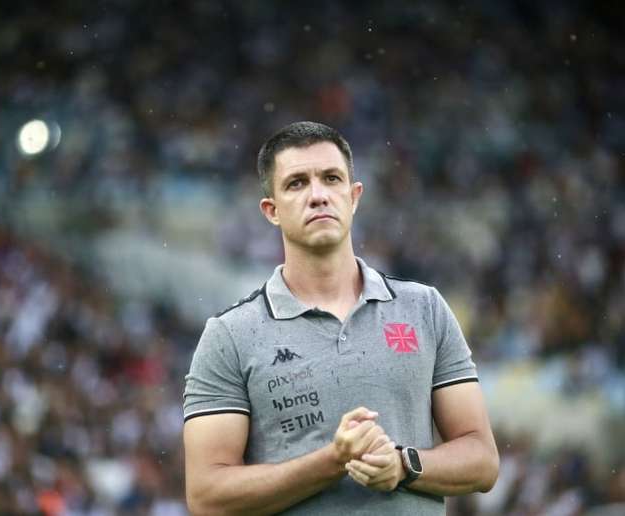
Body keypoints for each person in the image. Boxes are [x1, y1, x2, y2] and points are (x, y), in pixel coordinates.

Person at [183, 121, 499, 515]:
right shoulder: (230, 335)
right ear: (271, 210)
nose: (317, 195)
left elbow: (483, 460)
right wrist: (333, 461)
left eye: (331, 178)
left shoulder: (425, 308)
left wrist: (404, 465)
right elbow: (206, 496)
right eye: (297, 183)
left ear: (354, 196)